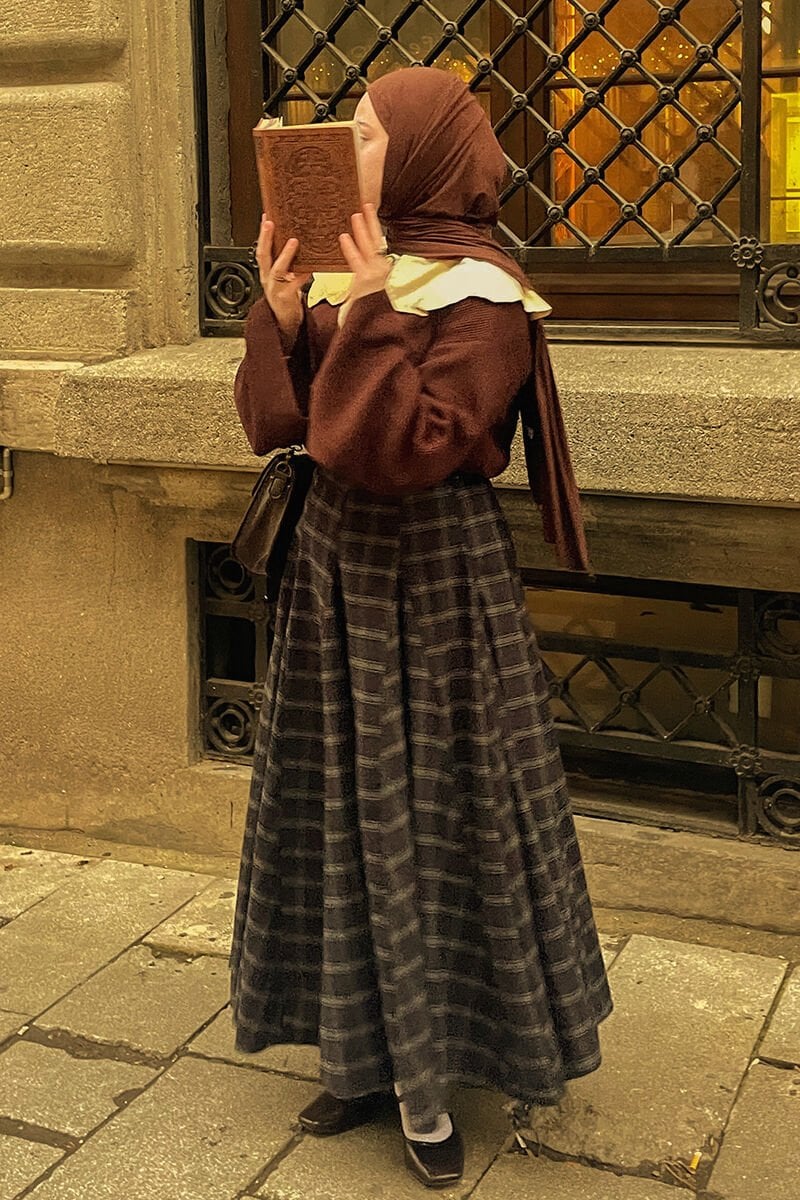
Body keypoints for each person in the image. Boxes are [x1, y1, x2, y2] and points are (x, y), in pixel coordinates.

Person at [230, 66, 611, 1189]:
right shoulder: (359, 272)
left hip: (435, 582)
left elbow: (404, 449)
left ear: (422, 153)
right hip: (334, 577)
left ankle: (429, 1082)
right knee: (338, 809)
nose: (345, 148)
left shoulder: (483, 299)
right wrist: (286, 320)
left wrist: (368, 309)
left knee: (432, 818)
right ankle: (359, 1050)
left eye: (364, 133)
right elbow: (283, 426)